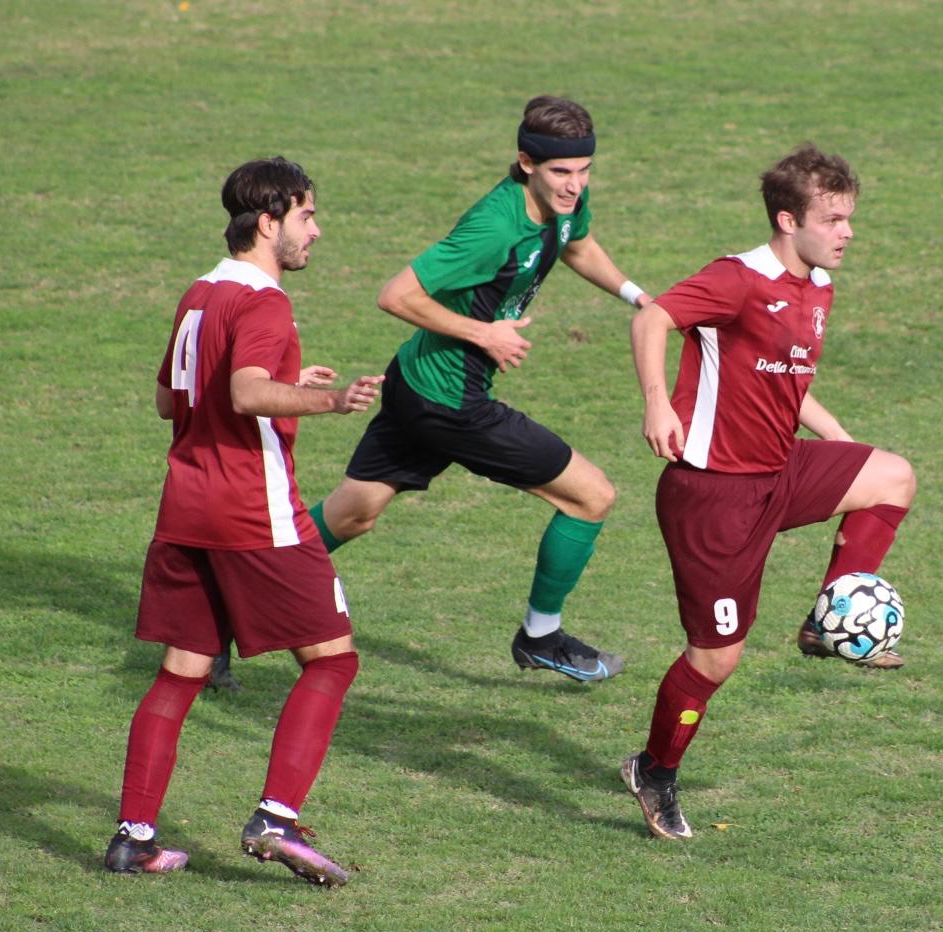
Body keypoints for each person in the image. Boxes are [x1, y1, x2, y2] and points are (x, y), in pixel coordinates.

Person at [620, 144, 916, 839]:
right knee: (716, 657)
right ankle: (654, 769)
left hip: (775, 471)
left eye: (849, 218)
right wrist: (658, 403)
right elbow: (652, 318)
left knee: (890, 475)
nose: (846, 232)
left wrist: (838, 438)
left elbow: (788, 376)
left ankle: (827, 619)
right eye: (833, 219)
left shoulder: (817, 286)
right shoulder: (738, 279)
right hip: (712, 495)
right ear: (789, 219)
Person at [303, 95, 651, 683]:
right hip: (451, 403)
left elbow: (577, 244)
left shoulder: (566, 202)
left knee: (353, 514)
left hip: (417, 384)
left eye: (585, 169)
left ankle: (222, 605)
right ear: (525, 163)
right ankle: (541, 636)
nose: (575, 184)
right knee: (591, 496)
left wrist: (638, 297)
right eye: (561, 172)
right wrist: (483, 334)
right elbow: (396, 294)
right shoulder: (493, 227)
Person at [104, 157, 384, 884]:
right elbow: (248, 391)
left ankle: (134, 838)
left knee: (181, 672)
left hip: (185, 508)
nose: (315, 232)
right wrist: (330, 401)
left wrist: (292, 382)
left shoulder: (201, 293)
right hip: (253, 512)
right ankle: (276, 818)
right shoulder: (265, 301)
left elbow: (171, 402)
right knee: (333, 659)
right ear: (269, 222)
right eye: (307, 217)